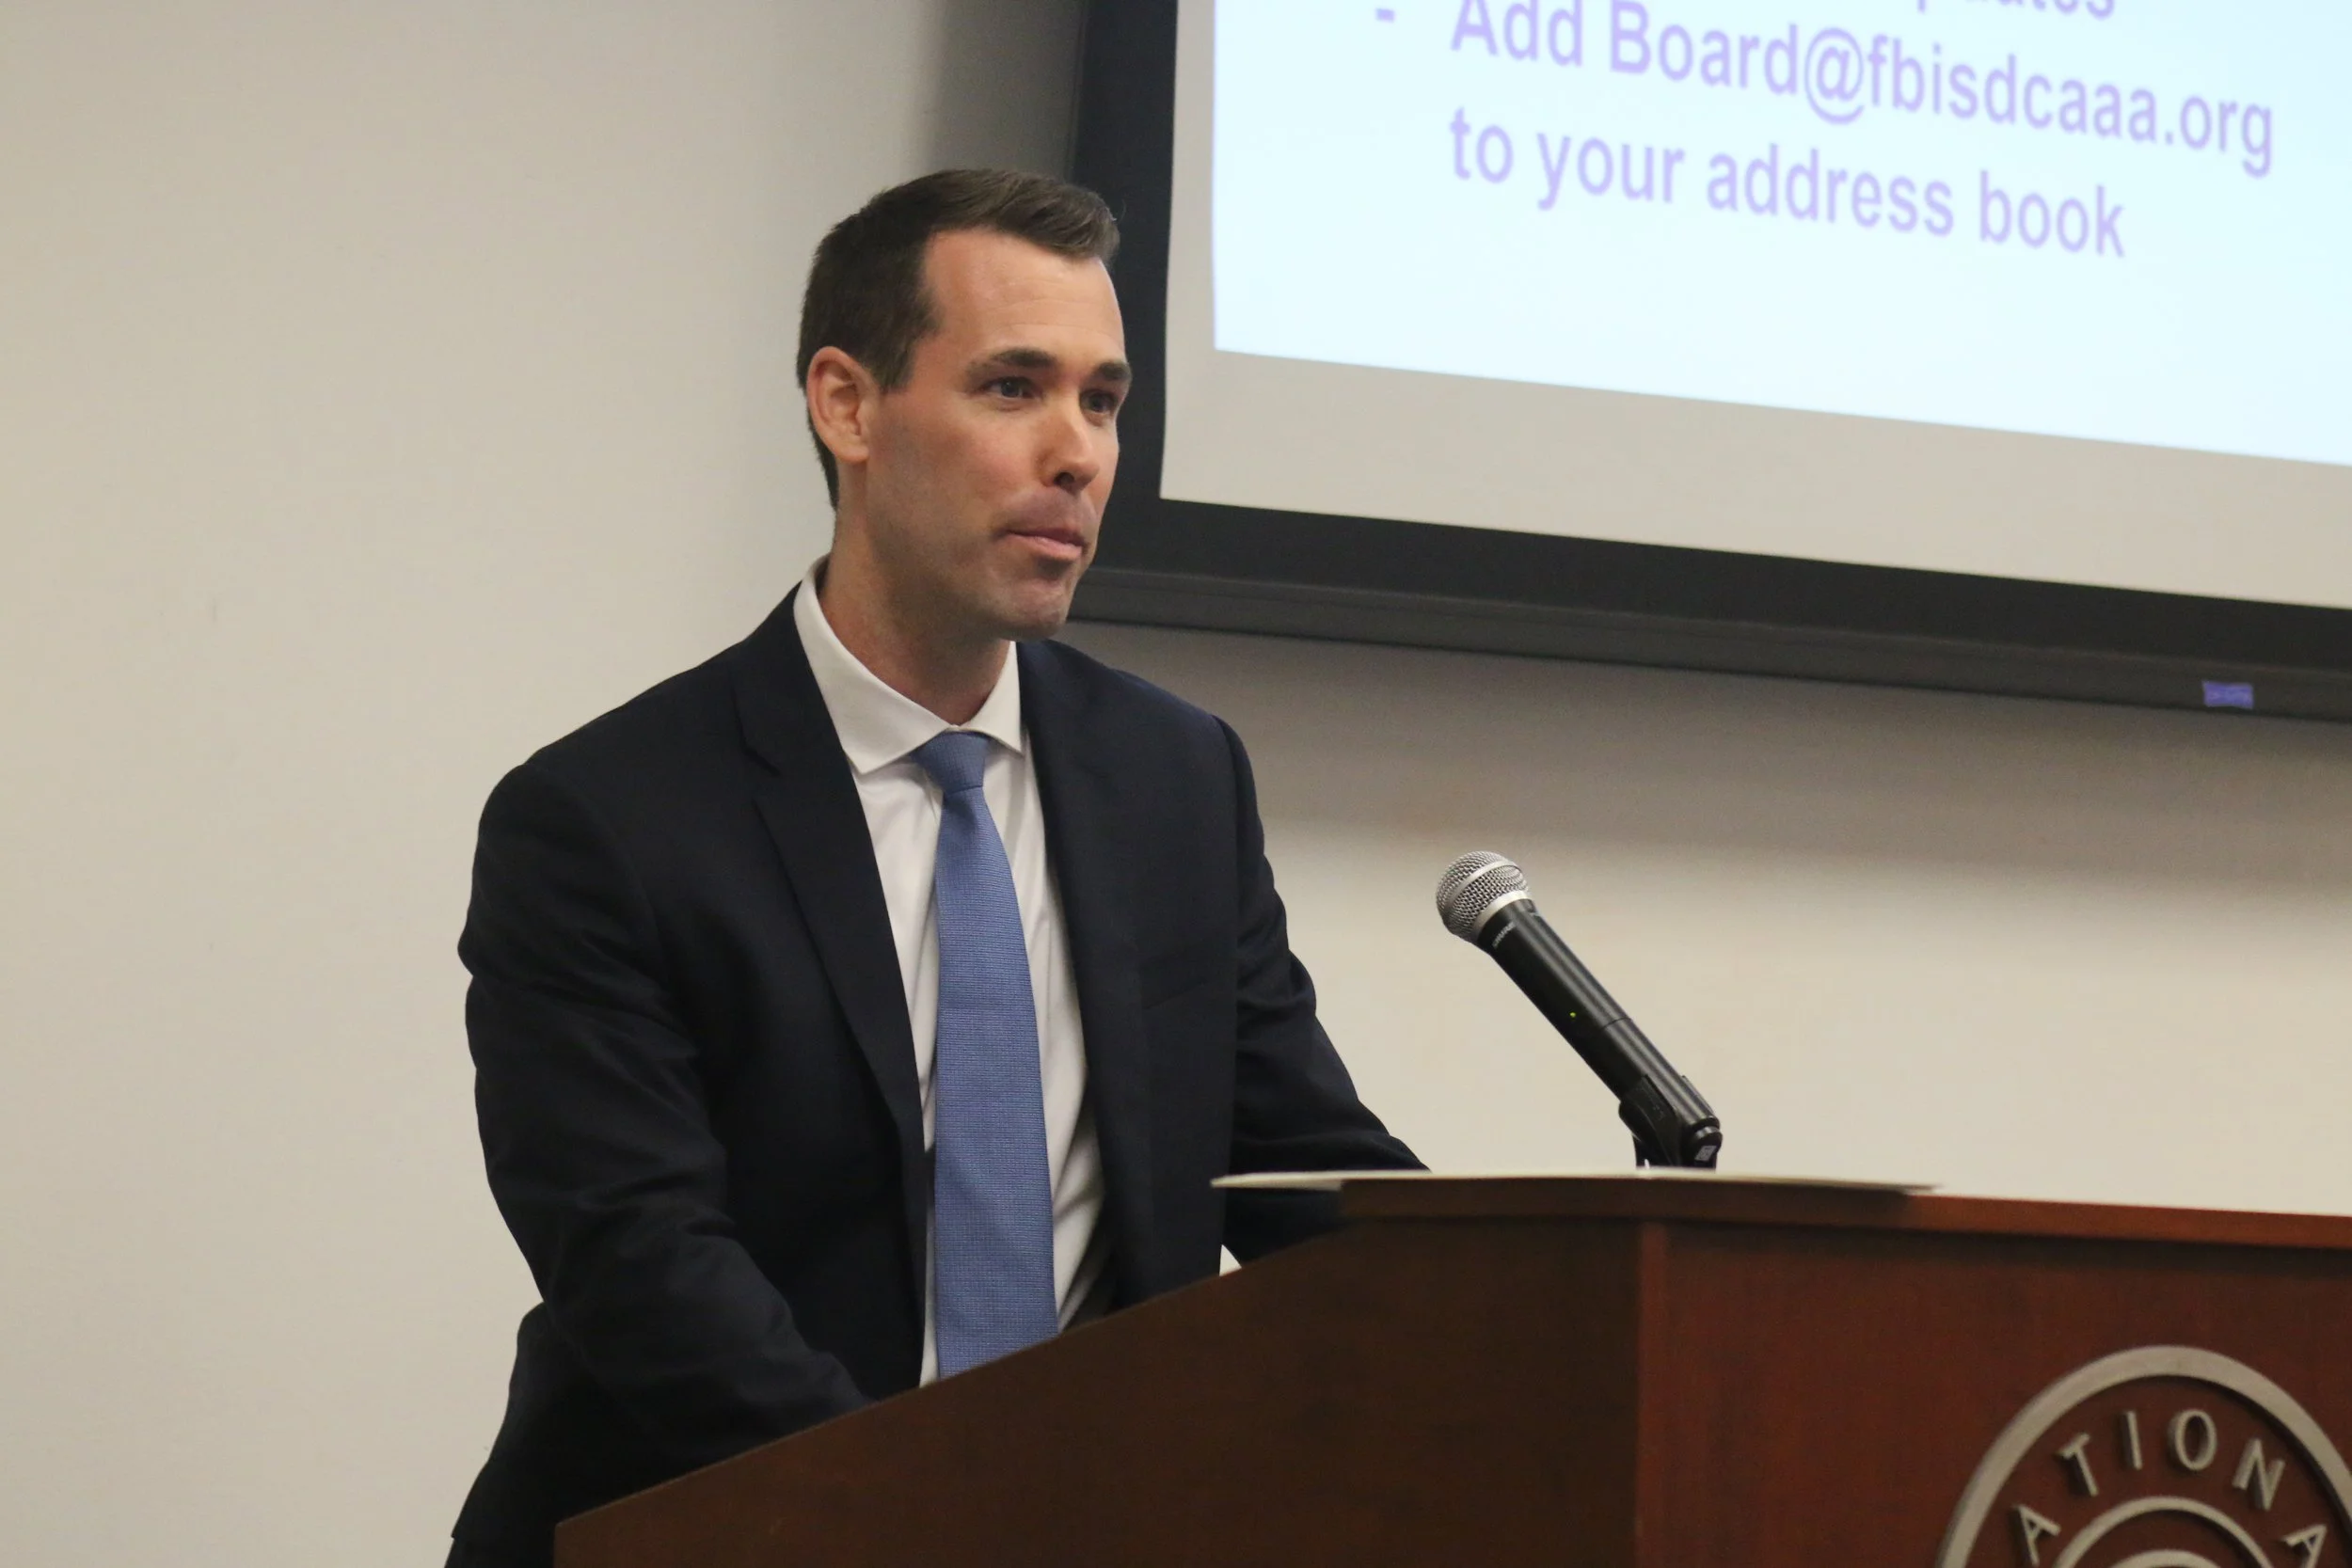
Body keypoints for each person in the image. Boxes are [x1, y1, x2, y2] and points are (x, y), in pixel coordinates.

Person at [443, 168, 1419, 1568]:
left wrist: (1536, 1317)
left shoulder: (1176, 780)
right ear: (847, 405)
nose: (1077, 452)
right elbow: (644, 1267)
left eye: (1104, 399)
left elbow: (1299, 1180)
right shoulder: (606, 820)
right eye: (1014, 387)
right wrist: (940, 1514)